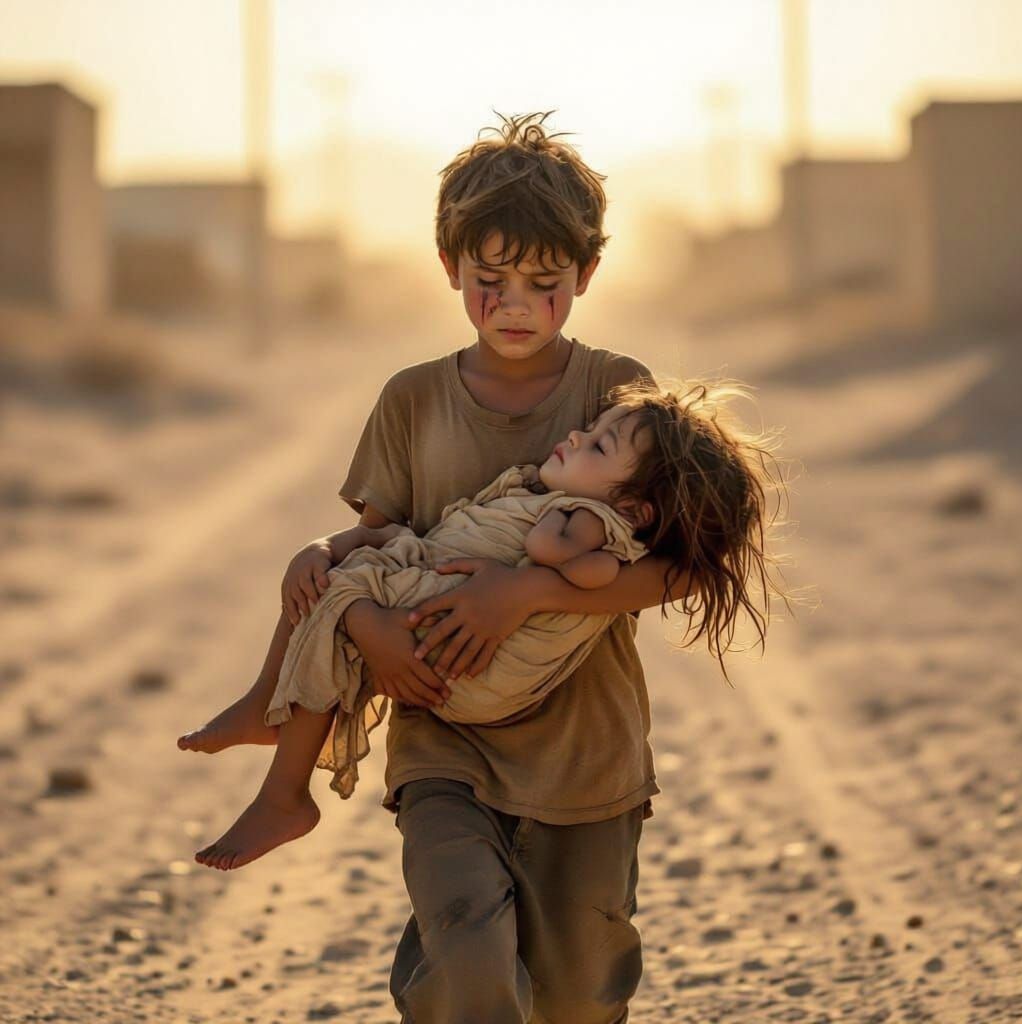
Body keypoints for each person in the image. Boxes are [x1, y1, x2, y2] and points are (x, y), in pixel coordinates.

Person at [179, 111, 785, 1024]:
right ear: (449, 269)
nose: (513, 305)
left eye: (543, 284)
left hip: (586, 753)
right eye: (488, 281)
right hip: (441, 736)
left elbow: (687, 569)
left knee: (578, 994)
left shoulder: (617, 394)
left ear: (585, 273)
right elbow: (386, 549)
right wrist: (361, 620)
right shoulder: (412, 399)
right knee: (465, 960)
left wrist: (528, 589)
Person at [183, 378, 782, 871]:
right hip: (454, 622)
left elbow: (567, 558)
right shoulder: (540, 484)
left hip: (471, 655)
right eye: (590, 430)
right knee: (342, 570)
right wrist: (330, 546)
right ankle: (267, 718)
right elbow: (407, 530)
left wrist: (535, 577)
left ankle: (283, 789)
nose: (577, 436)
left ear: (631, 507)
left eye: (598, 446)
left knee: (340, 588)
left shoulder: (586, 519)